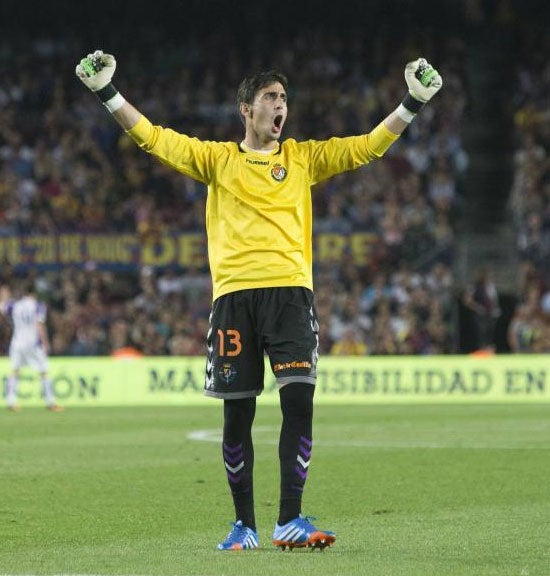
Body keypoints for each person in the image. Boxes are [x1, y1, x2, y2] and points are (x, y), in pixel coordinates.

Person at [76, 50, 442, 551]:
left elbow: (365, 148)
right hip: (233, 298)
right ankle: (243, 526)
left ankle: (288, 519)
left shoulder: (303, 159)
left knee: (299, 400)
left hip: (291, 293)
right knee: (236, 415)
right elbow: (153, 139)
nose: (280, 106)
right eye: (270, 98)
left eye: (284, 99)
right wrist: (107, 92)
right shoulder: (218, 159)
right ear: (245, 109)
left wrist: (412, 102)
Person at [0, 282, 63, 412]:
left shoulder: (15, 305)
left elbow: (2, 308)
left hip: (17, 342)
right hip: (33, 344)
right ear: (34, 293)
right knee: (44, 371)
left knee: (15, 371)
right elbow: (39, 324)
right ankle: (50, 402)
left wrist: (4, 296)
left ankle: (11, 401)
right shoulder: (39, 306)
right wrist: (45, 342)